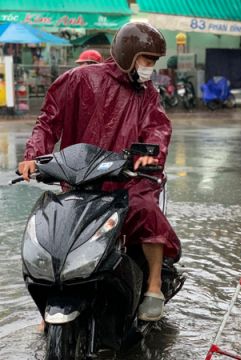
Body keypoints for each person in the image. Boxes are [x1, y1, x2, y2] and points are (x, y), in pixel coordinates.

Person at [17, 22, 181, 322]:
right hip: (82, 180)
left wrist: (148, 154)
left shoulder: (148, 94)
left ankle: (154, 285)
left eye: (153, 62)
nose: (150, 68)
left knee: (145, 207)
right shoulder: (79, 79)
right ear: (129, 54)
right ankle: (51, 302)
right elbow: (48, 120)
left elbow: (157, 127)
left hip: (128, 179)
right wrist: (32, 156)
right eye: (147, 59)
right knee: (57, 227)